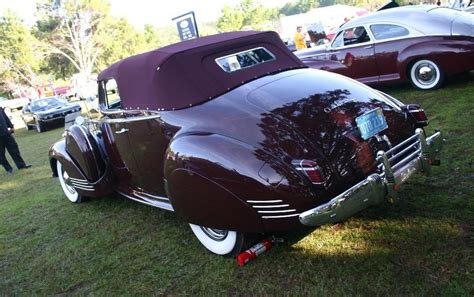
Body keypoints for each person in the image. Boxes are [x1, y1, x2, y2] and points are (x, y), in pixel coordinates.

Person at [0, 107, 31, 175]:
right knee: (1, 155)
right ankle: (9, 169)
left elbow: (5, 118)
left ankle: (21, 165)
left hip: (6, 134)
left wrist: (11, 126)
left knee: (14, 150)